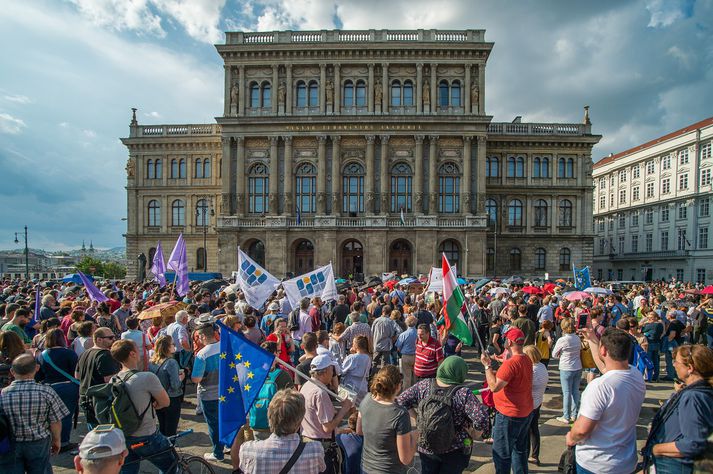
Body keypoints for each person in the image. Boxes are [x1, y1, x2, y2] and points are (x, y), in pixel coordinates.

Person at [566, 328, 646, 474]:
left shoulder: (599, 387)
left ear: (603, 351)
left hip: (597, 463)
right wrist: (592, 340)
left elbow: (582, 430)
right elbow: (606, 368)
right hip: (626, 461)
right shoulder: (635, 374)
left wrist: (571, 437)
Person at [397, 355, 490, 474]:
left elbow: (401, 400)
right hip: (455, 448)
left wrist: (417, 418)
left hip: (427, 445)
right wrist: (475, 433)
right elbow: (482, 418)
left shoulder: (424, 385)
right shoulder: (463, 393)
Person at [643, 344, 713, 473]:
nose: (674, 365)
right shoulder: (701, 391)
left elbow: (693, 444)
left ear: (690, 368)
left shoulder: (693, 396)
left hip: (675, 466)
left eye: (676, 362)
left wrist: (656, 449)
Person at [109, 339, 175, 474]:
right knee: (171, 466)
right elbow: (166, 402)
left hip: (124, 435)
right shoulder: (146, 377)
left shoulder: (114, 379)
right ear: (132, 354)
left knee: (128, 470)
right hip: (147, 434)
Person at [0, 354, 69, 474]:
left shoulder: (2, 394)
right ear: (36, 368)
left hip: (11, 443)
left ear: (12, 371)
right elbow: (55, 420)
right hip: (39, 441)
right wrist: (56, 440)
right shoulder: (46, 391)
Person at [480, 327, 533, 474]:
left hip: (509, 415)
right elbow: (511, 379)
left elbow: (494, 387)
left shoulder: (511, 363)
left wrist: (487, 366)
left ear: (509, 342)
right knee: (520, 451)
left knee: (502, 454)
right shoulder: (527, 359)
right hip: (524, 411)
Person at [239, 389, 326, 474]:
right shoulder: (315, 450)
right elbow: (321, 469)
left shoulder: (248, 450)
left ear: (269, 416)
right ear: (299, 421)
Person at [357, 365, 417, 474]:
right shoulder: (400, 414)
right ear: (398, 386)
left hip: (366, 468)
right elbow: (406, 459)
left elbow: (359, 431)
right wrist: (416, 435)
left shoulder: (366, 399)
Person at [300, 354, 354, 474]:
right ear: (324, 372)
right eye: (331, 370)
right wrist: (344, 409)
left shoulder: (306, 386)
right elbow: (327, 427)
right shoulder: (320, 393)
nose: (333, 373)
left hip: (307, 442)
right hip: (321, 447)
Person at [36, 327, 79, 453]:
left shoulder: (41, 355)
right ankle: (63, 441)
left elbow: (39, 376)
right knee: (66, 416)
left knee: (50, 416)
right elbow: (75, 372)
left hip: (49, 388)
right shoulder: (70, 353)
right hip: (68, 387)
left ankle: (51, 440)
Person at [191, 322, 224, 461]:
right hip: (226, 392)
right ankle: (227, 446)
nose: (198, 339)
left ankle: (218, 453)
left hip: (209, 394)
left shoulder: (202, 354)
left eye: (198, 336)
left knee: (214, 425)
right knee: (224, 420)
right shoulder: (224, 347)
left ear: (203, 336)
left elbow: (196, 378)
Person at [76, 327, 120, 426]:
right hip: (100, 401)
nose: (114, 340)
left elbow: (77, 376)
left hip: (85, 398)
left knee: (95, 435)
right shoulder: (105, 355)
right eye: (110, 338)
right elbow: (110, 380)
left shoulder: (85, 353)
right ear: (99, 339)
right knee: (106, 435)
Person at [149, 335, 184, 436]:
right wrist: (181, 378)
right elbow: (175, 385)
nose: (174, 345)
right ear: (167, 347)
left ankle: (163, 448)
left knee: (162, 426)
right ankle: (169, 449)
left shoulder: (152, 362)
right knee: (171, 429)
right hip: (172, 398)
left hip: (158, 398)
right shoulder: (171, 363)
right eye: (172, 344)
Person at [552, 318, 582, 424]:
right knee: (575, 391)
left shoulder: (562, 340)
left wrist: (561, 355)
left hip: (566, 367)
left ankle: (566, 416)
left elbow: (554, 354)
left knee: (567, 393)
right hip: (578, 366)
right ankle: (574, 414)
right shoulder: (577, 338)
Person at [523, 345, 548, 466]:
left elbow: (524, 384)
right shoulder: (542, 366)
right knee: (534, 430)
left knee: (526, 432)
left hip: (530, 403)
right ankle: (535, 455)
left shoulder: (532, 370)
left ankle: (526, 455)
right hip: (538, 401)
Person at [341, 335, 372, 404]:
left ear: (355, 345)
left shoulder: (352, 357)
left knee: (348, 406)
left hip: (351, 386)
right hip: (363, 385)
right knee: (360, 407)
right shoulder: (368, 358)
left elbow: (342, 371)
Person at [395, 315, 418, 389]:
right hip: (417, 356)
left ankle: (406, 392)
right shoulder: (419, 333)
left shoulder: (403, 334)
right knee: (416, 377)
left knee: (406, 378)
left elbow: (398, 347)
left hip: (406, 356)